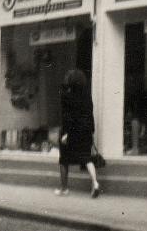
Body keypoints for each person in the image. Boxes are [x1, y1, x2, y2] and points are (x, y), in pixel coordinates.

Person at [55, 68, 101, 198]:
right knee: (86, 158)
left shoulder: (68, 96)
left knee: (64, 159)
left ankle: (64, 189)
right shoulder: (87, 96)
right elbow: (89, 115)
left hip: (72, 132)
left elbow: (68, 117)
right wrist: (91, 130)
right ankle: (95, 182)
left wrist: (65, 133)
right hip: (86, 131)